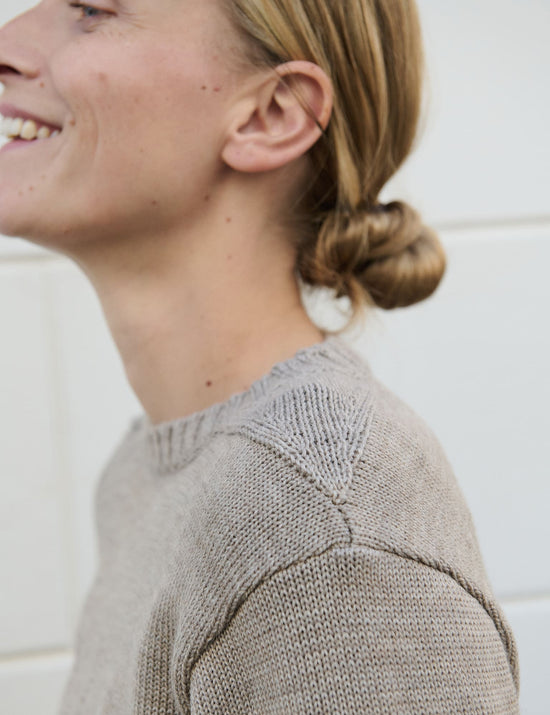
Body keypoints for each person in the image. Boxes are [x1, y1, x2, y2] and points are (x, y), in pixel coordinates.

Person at [0, 0, 519, 712]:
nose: (9, 41)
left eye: (92, 9)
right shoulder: (152, 471)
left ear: (272, 115)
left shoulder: (323, 525)